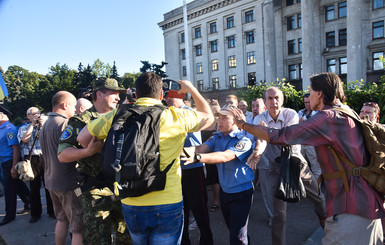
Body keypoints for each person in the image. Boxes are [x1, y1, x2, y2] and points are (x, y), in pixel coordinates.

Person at [231, 72, 385, 244]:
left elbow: (282, 136)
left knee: (320, 207)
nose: (309, 95)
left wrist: (243, 124)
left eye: (310, 91)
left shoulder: (327, 117)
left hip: (353, 209)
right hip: (359, 206)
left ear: (319, 94)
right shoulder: (346, 112)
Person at [77, 72, 214, 245]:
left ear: (136, 94)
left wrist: (99, 147)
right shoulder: (176, 116)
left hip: (130, 199)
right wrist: (191, 89)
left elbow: (82, 138)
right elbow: (210, 119)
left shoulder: (117, 115)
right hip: (167, 200)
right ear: (162, 94)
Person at [241, 87, 326, 245]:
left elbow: (286, 138)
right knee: (278, 216)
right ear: (265, 102)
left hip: (296, 164)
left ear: (282, 99)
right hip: (276, 167)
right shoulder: (259, 117)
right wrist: (258, 152)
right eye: (270, 98)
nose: (274, 102)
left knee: (319, 198)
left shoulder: (291, 114)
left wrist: (265, 130)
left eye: (277, 98)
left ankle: (327, 225)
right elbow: (261, 140)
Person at [57, 78, 132, 245]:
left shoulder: (123, 116)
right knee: (98, 240)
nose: (118, 98)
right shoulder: (81, 121)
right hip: (95, 191)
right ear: (99, 94)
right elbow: (62, 154)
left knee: (127, 238)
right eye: (114, 93)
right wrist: (87, 151)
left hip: (121, 188)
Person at [182, 105, 254, 245]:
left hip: (241, 194)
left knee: (237, 237)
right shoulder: (217, 137)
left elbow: (225, 156)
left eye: (224, 118)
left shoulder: (243, 141)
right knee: (236, 231)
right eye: (219, 118)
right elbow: (201, 148)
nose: (219, 121)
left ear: (234, 121)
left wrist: (197, 157)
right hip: (225, 193)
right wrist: (179, 151)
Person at [164, 94, 213, 245]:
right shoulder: (167, 114)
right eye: (165, 98)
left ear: (180, 97)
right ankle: (184, 241)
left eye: (169, 97)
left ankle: (206, 241)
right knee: (180, 210)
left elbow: (207, 121)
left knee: (200, 210)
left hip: (193, 168)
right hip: (175, 170)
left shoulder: (190, 113)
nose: (166, 100)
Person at [40, 91, 83, 245]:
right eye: (73, 106)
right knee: (78, 227)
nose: (75, 110)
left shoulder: (45, 124)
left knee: (61, 219)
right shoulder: (64, 124)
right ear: (65, 105)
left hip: (51, 181)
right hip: (68, 183)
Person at [17, 107, 54, 223]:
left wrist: (43, 126)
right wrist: (32, 125)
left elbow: (51, 138)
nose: (37, 115)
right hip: (32, 158)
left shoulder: (45, 125)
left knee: (49, 185)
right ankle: (35, 213)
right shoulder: (23, 128)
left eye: (38, 113)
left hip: (45, 156)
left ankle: (52, 210)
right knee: (34, 186)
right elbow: (24, 140)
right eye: (33, 114)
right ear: (28, 116)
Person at [244, 98, 273, 227]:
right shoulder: (247, 123)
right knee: (248, 187)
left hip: (265, 160)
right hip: (250, 160)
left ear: (264, 108)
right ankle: (244, 213)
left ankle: (272, 216)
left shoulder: (268, 122)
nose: (255, 108)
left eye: (258, 106)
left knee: (267, 190)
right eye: (253, 106)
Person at [0, 112, 31, 226]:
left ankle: (9, 215)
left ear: (2, 116)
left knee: (9, 190)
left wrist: (13, 167)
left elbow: (16, 148)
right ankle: (29, 202)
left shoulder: (9, 129)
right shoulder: (2, 128)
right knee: (17, 185)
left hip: (9, 162)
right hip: (4, 162)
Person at [298, 94, 322, 180]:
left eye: (309, 102)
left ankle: (317, 190)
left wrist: (304, 122)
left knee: (315, 167)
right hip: (301, 143)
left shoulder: (317, 112)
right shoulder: (301, 112)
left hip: (312, 143)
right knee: (302, 167)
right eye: (305, 102)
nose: (307, 104)